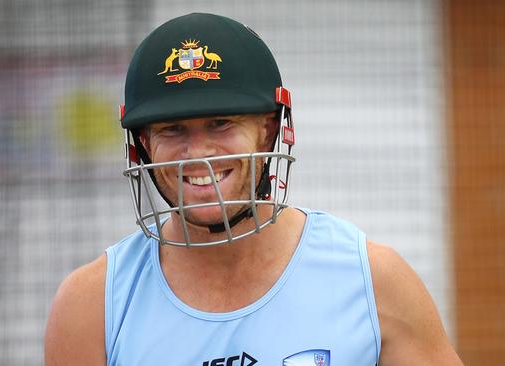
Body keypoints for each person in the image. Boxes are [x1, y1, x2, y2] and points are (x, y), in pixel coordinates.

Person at [45, 13, 463, 366]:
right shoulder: (93, 303)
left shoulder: (373, 279)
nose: (199, 154)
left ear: (267, 132)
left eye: (221, 123)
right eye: (172, 129)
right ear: (143, 145)